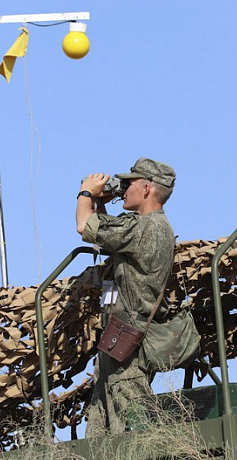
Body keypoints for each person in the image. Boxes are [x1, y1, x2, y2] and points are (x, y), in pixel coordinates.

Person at [75, 158, 176, 437]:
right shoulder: (150, 226)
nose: (125, 189)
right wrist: (104, 202)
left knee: (128, 411)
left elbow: (85, 227)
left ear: (146, 189)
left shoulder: (144, 228)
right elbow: (108, 236)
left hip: (128, 333)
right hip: (124, 333)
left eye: (129, 183)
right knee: (104, 415)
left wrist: (85, 193)